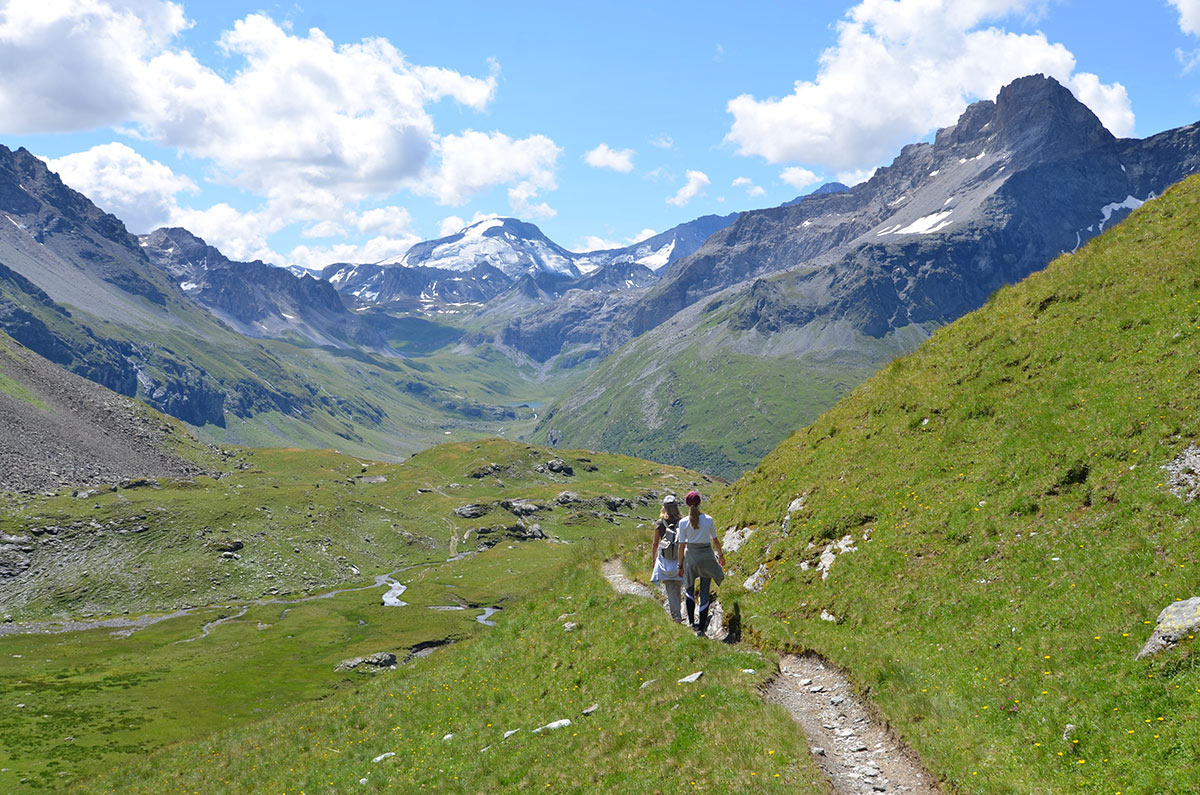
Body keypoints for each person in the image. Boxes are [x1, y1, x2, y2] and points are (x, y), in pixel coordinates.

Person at [675, 490, 725, 635]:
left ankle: (692, 623)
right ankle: (702, 626)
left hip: (691, 557)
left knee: (689, 588)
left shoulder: (683, 522)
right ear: (700, 502)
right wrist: (720, 556)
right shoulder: (708, 519)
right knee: (704, 590)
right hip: (707, 556)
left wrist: (680, 565)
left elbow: (681, 546)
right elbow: (715, 540)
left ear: (686, 504)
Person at [650, 495, 685, 622]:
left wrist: (654, 560)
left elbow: (655, 544)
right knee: (677, 586)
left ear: (664, 508)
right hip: (680, 559)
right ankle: (678, 614)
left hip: (665, 560)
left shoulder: (660, 523)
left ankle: (676, 615)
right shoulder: (682, 522)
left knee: (670, 588)